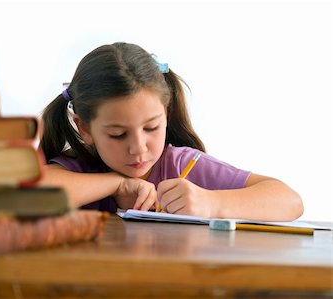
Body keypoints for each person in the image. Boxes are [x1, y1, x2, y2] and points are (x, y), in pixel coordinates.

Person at [39, 42, 303, 221]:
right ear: (83, 128)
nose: (139, 148)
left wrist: (211, 204)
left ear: (166, 114)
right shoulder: (76, 168)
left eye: (151, 127)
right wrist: (117, 183)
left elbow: (289, 201)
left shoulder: (182, 165)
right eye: (118, 134)